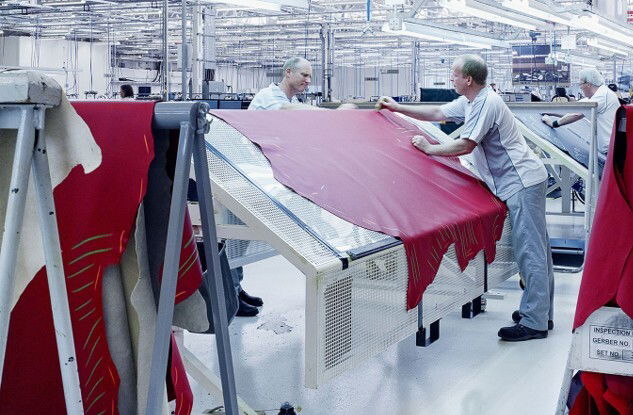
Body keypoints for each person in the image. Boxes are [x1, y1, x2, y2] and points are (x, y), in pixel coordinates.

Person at [376, 54, 554, 342]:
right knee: (538, 250)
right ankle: (541, 313)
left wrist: (429, 149)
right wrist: (398, 108)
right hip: (522, 181)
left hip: (521, 182)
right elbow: (438, 112)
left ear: (468, 79)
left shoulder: (486, 102)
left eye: (455, 75)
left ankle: (535, 322)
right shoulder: (471, 100)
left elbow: (465, 145)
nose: (451, 79)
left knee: (530, 252)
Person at [541, 68, 620, 157]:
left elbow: (576, 114)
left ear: (588, 84)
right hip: (611, 148)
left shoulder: (601, 96)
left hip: (613, 150)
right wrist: (550, 111)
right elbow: (573, 110)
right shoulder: (599, 94)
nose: (580, 87)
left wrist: (553, 123)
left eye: (581, 84)